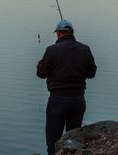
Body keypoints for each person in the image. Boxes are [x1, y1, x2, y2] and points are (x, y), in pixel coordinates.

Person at [37, 19, 97, 155]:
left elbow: (40, 73)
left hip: (57, 101)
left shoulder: (52, 50)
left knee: (53, 139)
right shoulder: (85, 49)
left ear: (58, 34)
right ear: (72, 33)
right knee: (74, 139)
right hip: (78, 100)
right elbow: (92, 73)